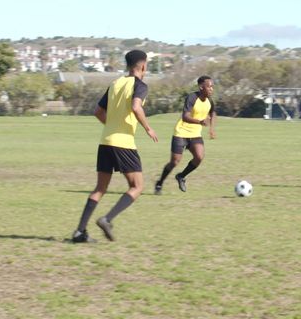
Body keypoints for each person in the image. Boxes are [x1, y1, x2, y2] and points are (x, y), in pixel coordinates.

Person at [70, 50, 159, 243]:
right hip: (124, 144)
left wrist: (112, 126)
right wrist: (148, 128)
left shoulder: (115, 83)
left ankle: (79, 232)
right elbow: (136, 107)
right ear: (143, 66)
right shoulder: (140, 85)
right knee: (137, 186)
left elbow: (98, 112)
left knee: (100, 188)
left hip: (105, 142)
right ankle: (107, 219)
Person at [155, 76, 216, 194]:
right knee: (174, 162)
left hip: (195, 134)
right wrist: (200, 122)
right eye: (209, 86)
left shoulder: (210, 101)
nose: (211, 89)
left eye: (212, 86)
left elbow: (213, 113)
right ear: (201, 87)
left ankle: (181, 176)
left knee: (199, 157)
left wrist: (212, 129)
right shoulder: (192, 97)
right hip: (181, 133)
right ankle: (159, 183)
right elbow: (185, 116)